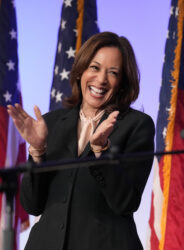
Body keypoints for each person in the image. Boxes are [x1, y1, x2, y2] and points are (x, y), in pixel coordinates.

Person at [7, 32, 155, 250]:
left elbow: (125, 202)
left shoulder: (136, 125)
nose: (101, 79)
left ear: (122, 82)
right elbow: (32, 204)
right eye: (94, 67)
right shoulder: (51, 123)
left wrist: (101, 151)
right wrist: (37, 150)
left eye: (113, 72)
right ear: (81, 71)